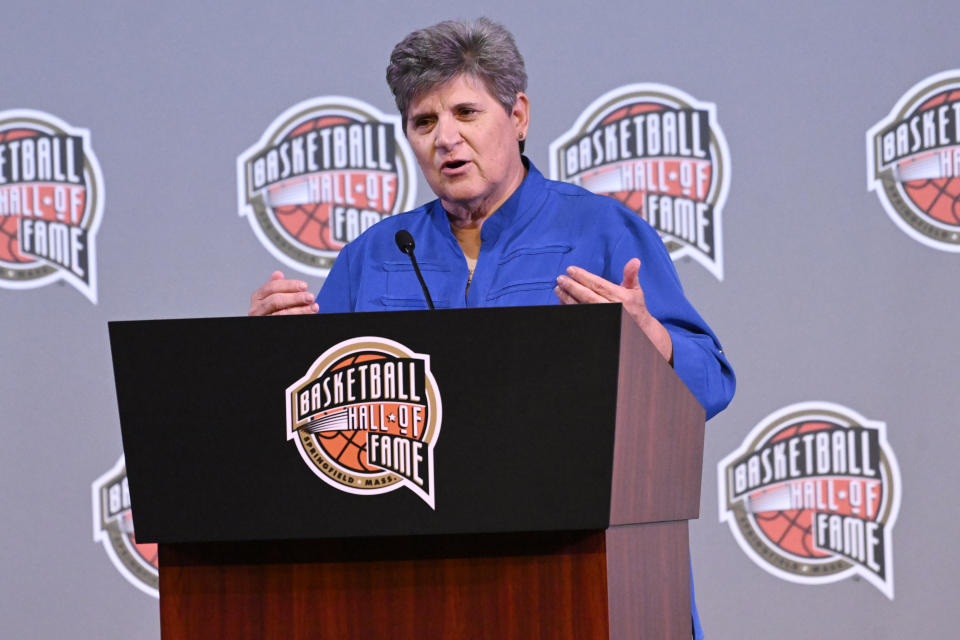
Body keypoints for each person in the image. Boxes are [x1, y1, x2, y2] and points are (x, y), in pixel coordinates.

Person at [249, 18, 734, 638]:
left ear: (519, 115)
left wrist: (654, 342)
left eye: (466, 113)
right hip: (412, 591)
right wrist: (263, 361)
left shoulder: (601, 232)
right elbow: (313, 434)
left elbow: (712, 381)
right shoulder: (373, 256)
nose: (445, 138)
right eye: (424, 123)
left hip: (576, 577)